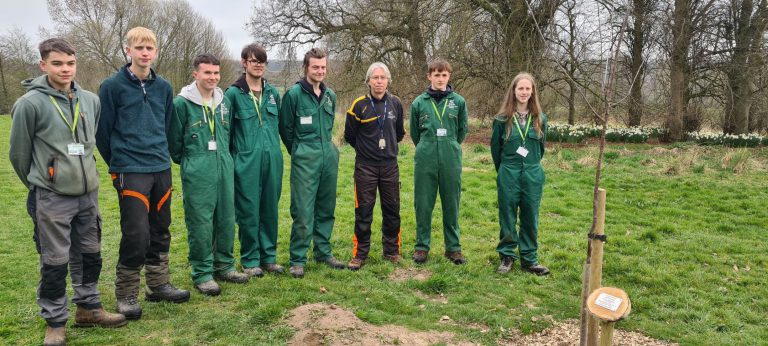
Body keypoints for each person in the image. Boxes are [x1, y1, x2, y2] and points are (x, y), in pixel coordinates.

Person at [9, 38, 127, 346]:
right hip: (51, 196)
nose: (65, 69)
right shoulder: (29, 104)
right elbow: (19, 156)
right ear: (43, 64)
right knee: (55, 261)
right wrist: (44, 182)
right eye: (58, 63)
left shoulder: (90, 100)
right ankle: (55, 321)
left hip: (87, 194)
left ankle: (89, 308)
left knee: (90, 254)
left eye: (70, 63)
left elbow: (89, 145)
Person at [96, 27, 189, 320]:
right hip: (130, 169)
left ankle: (158, 284)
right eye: (139, 48)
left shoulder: (164, 87)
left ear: (156, 52)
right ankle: (126, 293)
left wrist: (161, 155)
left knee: (161, 228)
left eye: (150, 48)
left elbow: (167, 125)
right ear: (128, 51)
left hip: (160, 166)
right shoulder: (111, 87)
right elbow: (103, 133)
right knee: (136, 233)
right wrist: (119, 163)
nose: (145, 53)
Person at [168, 54, 250, 296]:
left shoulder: (223, 102)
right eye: (207, 73)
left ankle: (224, 265)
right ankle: (202, 272)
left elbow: (229, 134)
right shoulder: (181, 104)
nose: (213, 77)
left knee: (226, 217)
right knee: (201, 222)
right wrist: (192, 163)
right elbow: (173, 142)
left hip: (224, 165)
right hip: (198, 167)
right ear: (196, 74)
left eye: (216, 73)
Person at [279, 48, 346, 278]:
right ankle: (297, 258)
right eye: (315, 67)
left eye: (323, 67)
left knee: (326, 207)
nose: (320, 71)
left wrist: (330, 150)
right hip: (305, 156)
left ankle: (323, 252)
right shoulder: (294, 95)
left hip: (328, 154)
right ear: (306, 67)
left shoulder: (330, 95)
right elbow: (286, 129)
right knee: (303, 209)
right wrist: (298, 151)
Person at [225, 44, 284, 278]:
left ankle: (268, 257)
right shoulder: (233, 94)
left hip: (272, 161)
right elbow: (226, 132)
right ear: (244, 63)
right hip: (246, 162)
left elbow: (280, 127)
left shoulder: (273, 94)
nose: (258, 65)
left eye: (262, 61)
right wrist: (234, 161)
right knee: (248, 211)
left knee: (270, 208)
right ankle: (250, 259)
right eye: (253, 61)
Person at [343, 62, 405, 270]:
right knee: (364, 210)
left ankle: (392, 251)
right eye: (375, 77)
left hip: (389, 166)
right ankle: (360, 254)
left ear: (388, 81)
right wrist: (366, 150)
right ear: (368, 80)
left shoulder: (395, 104)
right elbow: (350, 136)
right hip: (365, 167)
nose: (379, 81)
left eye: (383, 78)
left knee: (392, 209)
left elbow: (399, 134)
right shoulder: (358, 105)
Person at [410, 58, 468, 265]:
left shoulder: (458, 102)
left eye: (444, 75)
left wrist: (449, 144)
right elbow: (415, 133)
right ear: (429, 76)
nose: (440, 79)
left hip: (450, 154)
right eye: (436, 75)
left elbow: (462, 131)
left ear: (449, 77)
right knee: (423, 203)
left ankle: (453, 248)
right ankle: (421, 247)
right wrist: (427, 145)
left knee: (451, 202)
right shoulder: (419, 102)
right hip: (425, 154)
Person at [490, 72, 550, 276]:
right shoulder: (501, 120)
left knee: (530, 216)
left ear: (532, 92)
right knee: (507, 215)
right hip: (509, 172)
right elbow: (495, 150)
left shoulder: (540, 119)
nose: (524, 92)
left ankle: (529, 258)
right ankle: (507, 256)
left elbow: (541, 149)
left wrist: (530, 166)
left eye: (527, 88)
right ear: (513, 91)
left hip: (532, 173)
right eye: (520, 88)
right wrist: (506, 170)